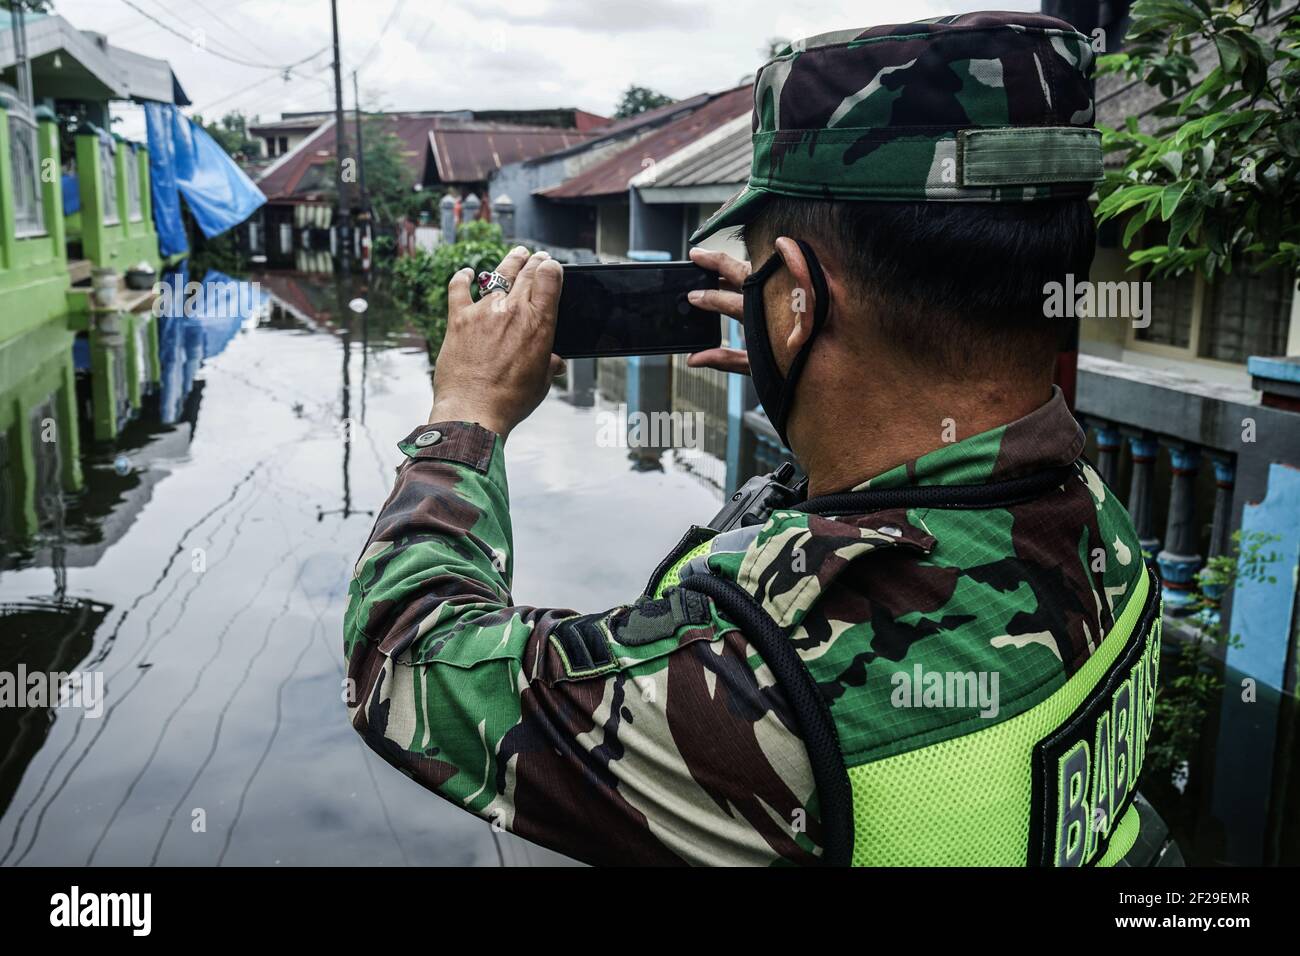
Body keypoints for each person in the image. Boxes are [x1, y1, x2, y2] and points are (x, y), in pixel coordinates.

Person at [344, 11, 1160, 867]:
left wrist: (466, 415)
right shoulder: (1096, 516)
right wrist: (813, 373)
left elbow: (402, 657)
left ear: (800, 293)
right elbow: (919, 506)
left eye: (774, 282)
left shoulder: (761, 672)